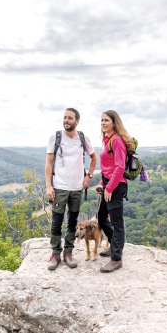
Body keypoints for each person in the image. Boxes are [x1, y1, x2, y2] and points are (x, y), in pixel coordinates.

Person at [45, 108, 97, 270]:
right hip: (59, 187)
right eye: (64, 118)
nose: (66, 120)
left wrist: (88, 176)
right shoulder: (56, 137)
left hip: (76, 189)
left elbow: (94, 157)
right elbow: (48, 163)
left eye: (70, 118)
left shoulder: (82, 138)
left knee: (72, 222)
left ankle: (68, 252)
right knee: (56, 222)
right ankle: (55, 253)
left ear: (77, 121)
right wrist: (48, 185)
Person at [96, 110, 134, 273]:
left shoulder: (117, 140)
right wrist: (102, 184)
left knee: (117, 222)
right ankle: (114, 245)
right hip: (107, 183)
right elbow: (108, 167)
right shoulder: (107, 140)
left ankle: (116, 259)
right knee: (102, 217)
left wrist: (110, 188)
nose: (103, 123)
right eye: (102, 120)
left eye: (106, 120)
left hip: (116, 186)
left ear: (114, 122)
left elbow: (119, 167)